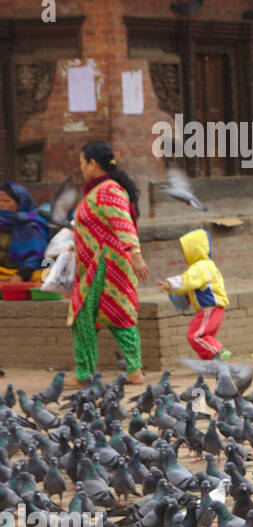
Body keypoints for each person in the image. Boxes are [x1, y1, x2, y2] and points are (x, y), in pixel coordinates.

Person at [68, 141, 150, 385]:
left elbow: (122, 223)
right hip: (95, 265)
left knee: (86, 316)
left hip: (104, 267)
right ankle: (133, 370)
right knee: (117, 315)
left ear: (93, 164)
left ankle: (86, 373)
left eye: (82, 163)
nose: (81, 168)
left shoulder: (107, 191)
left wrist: (136, 254)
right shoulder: (99, 191)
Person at [157, 228, 229, 361]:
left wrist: (169, 284)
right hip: (216, 310)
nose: (184, 255)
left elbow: (187, 280)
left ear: (194, 249)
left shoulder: (200, 267)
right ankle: (211, 360)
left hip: (209, 310)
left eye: (186, 251)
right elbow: (198, 287)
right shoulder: (209, 265)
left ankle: (219, 351)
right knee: (205, 338)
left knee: (194, 336)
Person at [0, 181, 52, 281]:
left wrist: (21, 276)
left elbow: (36, 258)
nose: (1, 205)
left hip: (19, 276)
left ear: (20, 204)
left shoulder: (30, 227)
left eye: (6, 201)